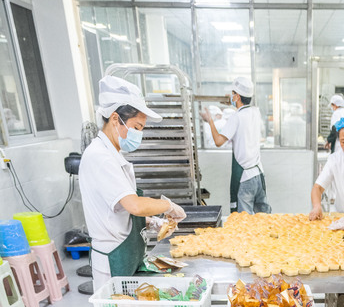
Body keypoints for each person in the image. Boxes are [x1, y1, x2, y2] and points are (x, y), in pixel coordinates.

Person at [79, 75, 186, 292]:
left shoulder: (112, 155)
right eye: (137, 127)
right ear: (116, 119)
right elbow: (134, 205)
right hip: (114, 258)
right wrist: (169, 206)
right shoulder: (99, 157)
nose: (139, 134)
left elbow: (117, 210)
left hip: (126, 252)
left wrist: (150, 222)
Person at [200, 76, 271, 214]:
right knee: (262, 219)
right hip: (258, 174)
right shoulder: (256, 112)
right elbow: (242, 110)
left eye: (233, 94)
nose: (231, 96)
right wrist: (233, 102)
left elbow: (219, 141)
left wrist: (210, 121)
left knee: (242, 223)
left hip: (244, 178)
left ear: (237, 96)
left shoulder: (236, 117)